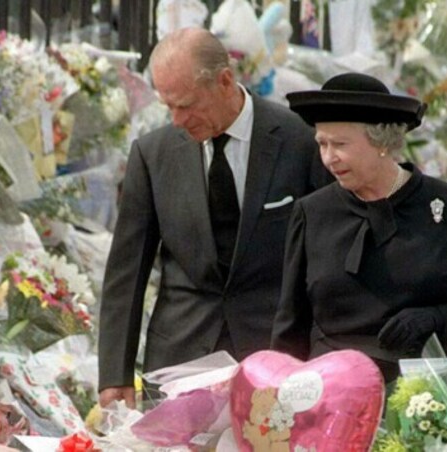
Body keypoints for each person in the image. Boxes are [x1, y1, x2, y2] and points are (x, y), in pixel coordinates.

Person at [97, 27, 330, 407]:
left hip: (273, 354)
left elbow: (323, 258)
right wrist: (114, 374)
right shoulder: (152, 155)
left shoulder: (298, 140)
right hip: (180, 356)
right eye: (167, 105)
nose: (176, 119)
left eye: (186, 104)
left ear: (225, 81)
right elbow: (126, 271)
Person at [270, 72, 447, 383]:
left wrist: (434, 319)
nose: (328, 158)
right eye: (322, 144)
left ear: (381, 142)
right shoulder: (312, 212)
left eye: (340, 144)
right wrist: (279, 398)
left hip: (430, 394)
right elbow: (291, 325)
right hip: (334, 394)